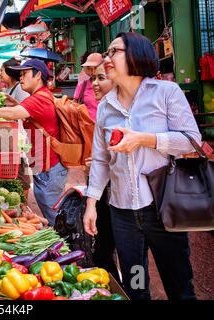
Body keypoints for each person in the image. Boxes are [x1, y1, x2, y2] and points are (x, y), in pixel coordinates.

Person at [83, 32, 201, 300]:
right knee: (136, 285)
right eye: (107, 53)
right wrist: (91, 204)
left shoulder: (165, 93)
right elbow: (101, 159)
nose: (107, 58)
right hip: (123, 215)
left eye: (114, 52)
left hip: (163, 210)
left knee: (179, 286)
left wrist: (144, 139)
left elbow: (192, 140)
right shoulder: (106, 107)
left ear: (136, 54)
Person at [0, 59, 67, 226]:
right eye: (20, 74)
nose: (20, 78)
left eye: (24, 74)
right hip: (44, 166)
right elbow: (23, 112)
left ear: (38, 75)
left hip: (49, 169)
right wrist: (16, 104)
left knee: (56, 220)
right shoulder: (38, 96)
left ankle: (74, 250)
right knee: (53, 216)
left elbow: (12, 113)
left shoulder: (39, 99)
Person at [84, 62, 119, 281]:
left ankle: (130, 289)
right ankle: (116, 287)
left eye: (101, 78)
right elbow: (101, 158)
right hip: (106, 191)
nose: (94, 84)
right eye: (93, 78)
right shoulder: (104, 109)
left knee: (125, 257)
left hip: (125, 198)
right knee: (104, 252)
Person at [0, 58, 31, 201]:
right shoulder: (10, 89)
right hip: (12, 138)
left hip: (20, 137)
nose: (0, 74)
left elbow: (22, 112)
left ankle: (24, 204)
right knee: (16, 172)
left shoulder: (20, 89)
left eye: (2, 70)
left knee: (21, 173)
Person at [73, 53, 103, 121]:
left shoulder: (108, 85)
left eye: (95, 68)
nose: (92, 72)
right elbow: (74, 105)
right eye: (89, 68)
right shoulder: (82, 85)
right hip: (86, 126)